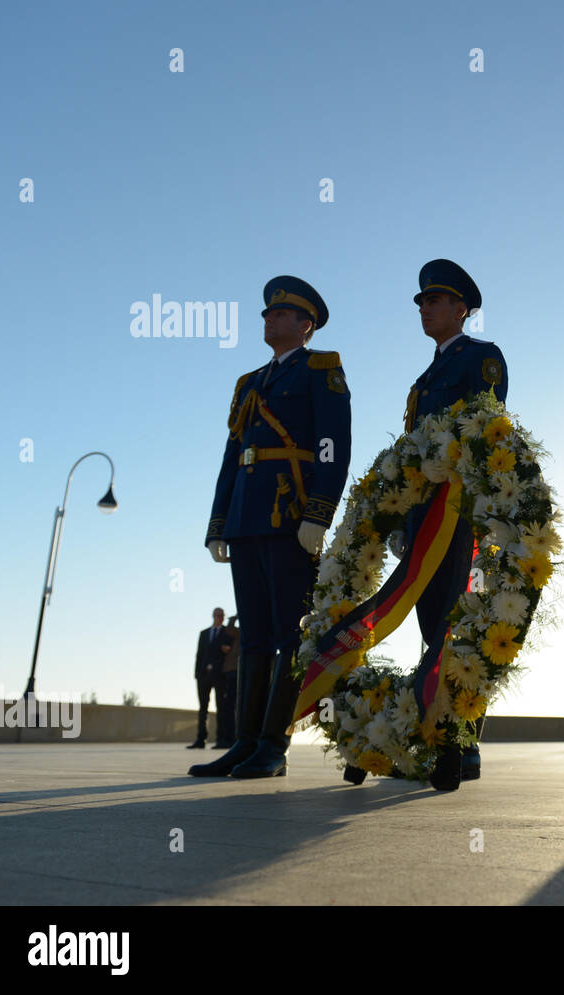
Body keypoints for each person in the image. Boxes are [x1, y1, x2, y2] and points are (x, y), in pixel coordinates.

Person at [192, 276, 351, 779]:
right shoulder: (249, 383)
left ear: (305, 325)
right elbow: (230, 458)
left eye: (281, 314)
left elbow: (333, 444)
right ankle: (244, 742)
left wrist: (318, 514)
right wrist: (218, 524)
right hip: (246, 519)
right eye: (266, 314)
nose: (269, 319)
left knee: (289, 633)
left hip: (289, 516)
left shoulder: (320, 369)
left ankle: (273, 746)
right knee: (256, 636)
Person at [393, 260, 507, 791]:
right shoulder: (421, 380)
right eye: (420, 302)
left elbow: (485, 428)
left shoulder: (481, 358)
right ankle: (437, 730)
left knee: (455, 623)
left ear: (461, 308)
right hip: (422, 513)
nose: (424, 308)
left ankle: (464, 742)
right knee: (427, 619)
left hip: (461, 512)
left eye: (434, 300)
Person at [191, 608, 234, 748]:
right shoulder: (204, 634)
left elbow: (231, 652)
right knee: (203, 707)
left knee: (221, 707)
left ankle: (220, 739)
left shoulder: (227, 632)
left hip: (220, 675)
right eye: (217, 615)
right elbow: (199, 654)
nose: (219, 617)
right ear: (213, 616)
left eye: (222, 615)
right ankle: (200, 740)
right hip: (203, 675)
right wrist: (197, 674)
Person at [214, 614, 241, 748]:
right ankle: (228, 738)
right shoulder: (238, 632)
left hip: (239, 671)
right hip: (230, 671)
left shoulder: (248, 634)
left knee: (236, 705)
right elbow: (229, 629)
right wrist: (234, 618)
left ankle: (236, 738)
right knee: (228, 706)